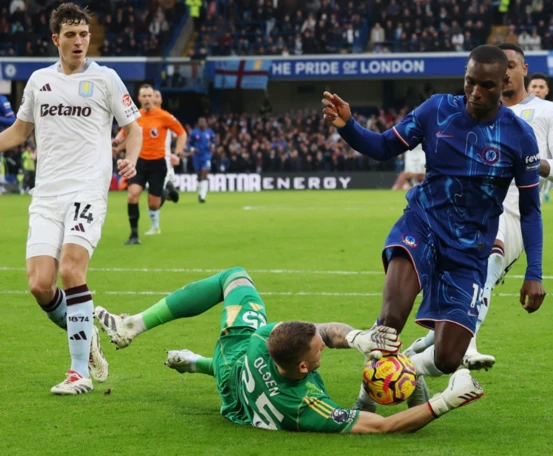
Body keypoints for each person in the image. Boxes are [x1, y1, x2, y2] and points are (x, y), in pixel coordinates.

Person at [322, 45, 546, 412]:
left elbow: (531, 210)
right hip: (422, 224)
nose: (475, 93)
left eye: (486, 86)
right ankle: (367, 398)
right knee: (391, 320)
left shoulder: (519, 137)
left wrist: (534, 272)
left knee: (447, 357)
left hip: (470, 250)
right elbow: (381, 147)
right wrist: (348, 125)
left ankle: (410, 373)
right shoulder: (437, 110)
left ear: (505, 81)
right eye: (469, 82)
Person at [94, 267, 483, 433]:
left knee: (234, 277)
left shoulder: (264, 337)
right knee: (368, 408)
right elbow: (380, 426)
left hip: (233, 357)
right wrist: (446, 402)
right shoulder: (304, 405)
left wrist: (357, 338)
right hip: (237, 405)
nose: (323, 351)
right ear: (301, 367)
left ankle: (144, 329)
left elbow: (325, 332)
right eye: (318, 353)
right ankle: (195, 362)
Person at [0, 3, 142, 394]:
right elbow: (18, 133)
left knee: (71, 269)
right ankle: (87, 335)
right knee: (39, 284)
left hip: (86, 189)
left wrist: (129, 161)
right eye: (71, 35)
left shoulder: (106, 78)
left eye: (84, 34)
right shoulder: (39, 81)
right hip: (46, 193)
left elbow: (134, 129)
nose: (79, 41)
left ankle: (78, 372)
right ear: (55, 40)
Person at [404, 44, 553, 371]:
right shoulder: (474, 111)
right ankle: (411, 357)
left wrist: (526, 163)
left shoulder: (550, 111)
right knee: (451, 310)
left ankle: (468, 344)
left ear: (524, 68)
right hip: (465, 210)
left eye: (511, 65)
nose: (505, 72)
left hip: (513, 211)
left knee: (490, 257)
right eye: (500, 66)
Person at [123, 84, 186, 243]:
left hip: (159, 162)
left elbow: (181, 133)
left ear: (155, 98)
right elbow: (125, 133)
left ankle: (165, 193)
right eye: (144, 96)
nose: (147, 99)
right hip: (140, 162)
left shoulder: (164, 116)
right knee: (132, 195)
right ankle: (134, 235)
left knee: (154, 205)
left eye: (150, 96)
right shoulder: (134, 116)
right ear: (139, 98)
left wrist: (177, 154)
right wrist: (116, 143)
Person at [526, 72, 552, 202]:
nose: (537, 90)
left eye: (541, 87)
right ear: (527, 89)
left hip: (543, 166)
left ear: (547, 90)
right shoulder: (516, 110)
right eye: (534, 86)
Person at [189, 116, 215, 203]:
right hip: (197, 157)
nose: (202, 124)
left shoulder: (210, 133)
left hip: (206, 156)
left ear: (206, 123)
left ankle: (203, 196)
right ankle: (200, 192)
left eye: (203, 122)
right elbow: (189, 144)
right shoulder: (194, 133)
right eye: (201, 122)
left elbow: (214, 142)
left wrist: (213, 146)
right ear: (198, 123)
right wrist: (192, 149)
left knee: (205, 173)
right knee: (199, 176)